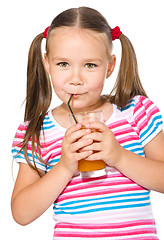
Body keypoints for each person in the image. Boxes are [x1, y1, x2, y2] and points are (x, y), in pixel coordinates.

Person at [11, 6, 164, 239]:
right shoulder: (37, 133)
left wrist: (119, 156)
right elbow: (21, 213)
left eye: (90, 65)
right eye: (63, 64)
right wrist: (64, 166)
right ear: (47, 64)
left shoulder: (135, 113)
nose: (76, 79)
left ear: (110, 66)